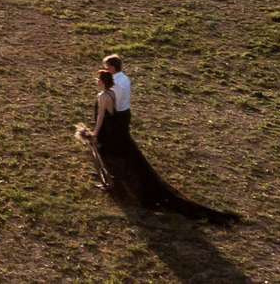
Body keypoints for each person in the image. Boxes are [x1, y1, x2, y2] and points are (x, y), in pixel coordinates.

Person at [77, 67, 234, 222]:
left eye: (98, 79)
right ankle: (114, 184)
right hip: (115, 130)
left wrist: (94, 134)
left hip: (107, 132)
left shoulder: (103, 96)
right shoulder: (112, 93)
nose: (96, 81)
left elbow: (100, 117)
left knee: (108, 158)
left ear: (103, 82)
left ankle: (115, 186)